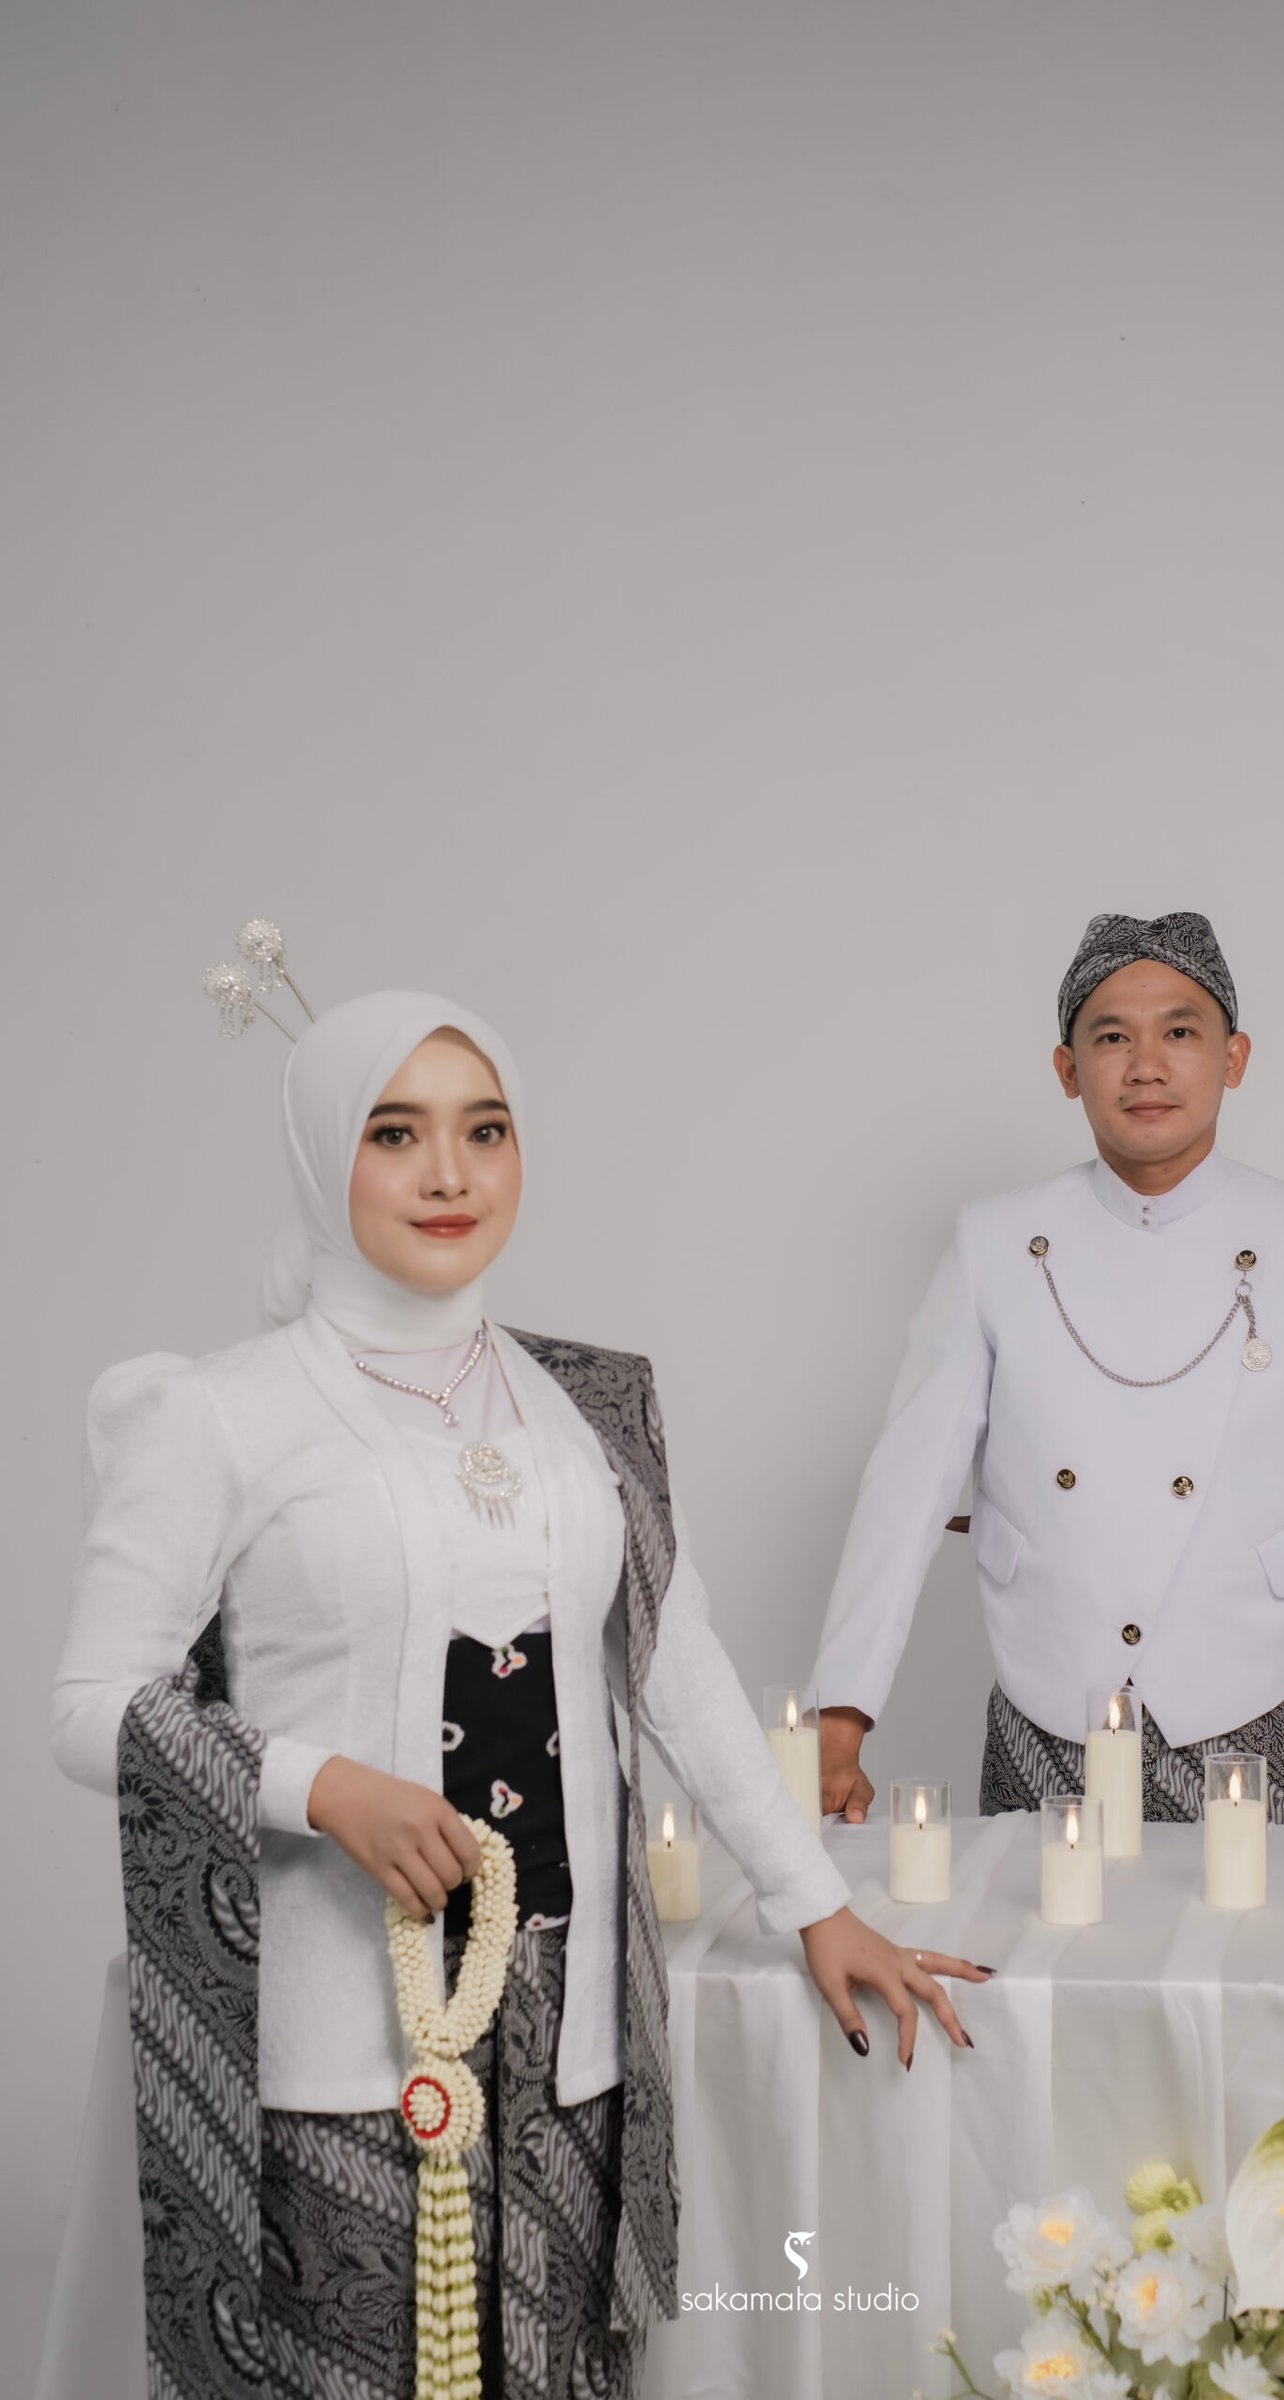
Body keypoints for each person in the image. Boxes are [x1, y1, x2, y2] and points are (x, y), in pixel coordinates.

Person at [51, 979, 992, 2400]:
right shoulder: (219, 1413)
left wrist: (816, 1902)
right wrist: (327, 1788)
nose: (449, 1174)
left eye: (483, 1130)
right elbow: (91, 1705)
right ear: (321, 1155)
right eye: (394, 1133)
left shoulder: (584, 1403)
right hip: (343, 2034)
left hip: (568, 2026)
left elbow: (674, 1664)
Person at [810, 910, 1284, 1856]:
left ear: (1233, 1058)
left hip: (1260, 1720)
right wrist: (838, 1721)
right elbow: (906, 1491)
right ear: (1068, 1070)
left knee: (1276, 1956)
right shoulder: (992, 1243)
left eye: (1179, 1031)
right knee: (1035, 1953)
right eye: (1111, 1038)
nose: (1146, 1066)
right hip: (1043, 1727)